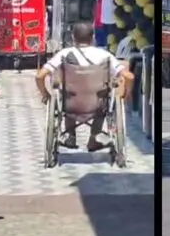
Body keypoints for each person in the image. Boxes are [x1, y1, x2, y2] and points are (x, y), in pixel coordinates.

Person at [35, 22, 134, 151]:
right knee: (103, 99)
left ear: (73, 37)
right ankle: (93, 139)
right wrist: (127, 93)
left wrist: (45, 94)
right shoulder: (105, 55)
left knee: (68, 94)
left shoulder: (63, 54)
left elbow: (39, 76)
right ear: (93, 37)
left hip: (71, 104)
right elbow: (129, 77)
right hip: (97, 104)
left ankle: (70, 136)